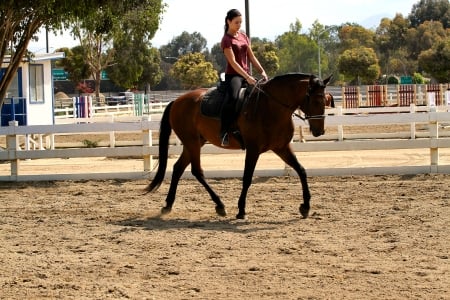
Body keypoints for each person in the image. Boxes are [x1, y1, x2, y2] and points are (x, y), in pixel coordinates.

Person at [219, 8, 268, 147]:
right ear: (228, 21)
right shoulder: (226, 40)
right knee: (233, 98)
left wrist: (262, 71)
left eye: (240, 22)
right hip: (234, 76)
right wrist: (247, 77)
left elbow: (251, 57)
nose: (239, 25)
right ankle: (224, 131)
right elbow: (233, 62)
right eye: (236, 22)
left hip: (247, 75)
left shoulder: (244, 36)